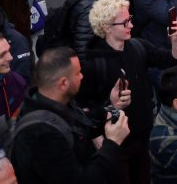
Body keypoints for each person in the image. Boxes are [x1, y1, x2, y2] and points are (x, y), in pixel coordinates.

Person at [80, 0, 177, 183]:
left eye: (130, 19)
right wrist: (101, 135)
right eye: (125, 22)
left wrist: (175, 41)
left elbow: (171, 61)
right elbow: (86, 110)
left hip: (143, 136)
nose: (131, 25)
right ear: (107, 27)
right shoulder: (93, 64)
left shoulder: (137, 46)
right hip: (117, 143)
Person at [10, 47, 129, 184]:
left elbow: (82, 125)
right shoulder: (41, 135)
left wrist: (112, 107)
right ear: (64, 83)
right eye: (78, 73)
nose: (82, 76)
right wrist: (113, 143)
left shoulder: (52, 100)